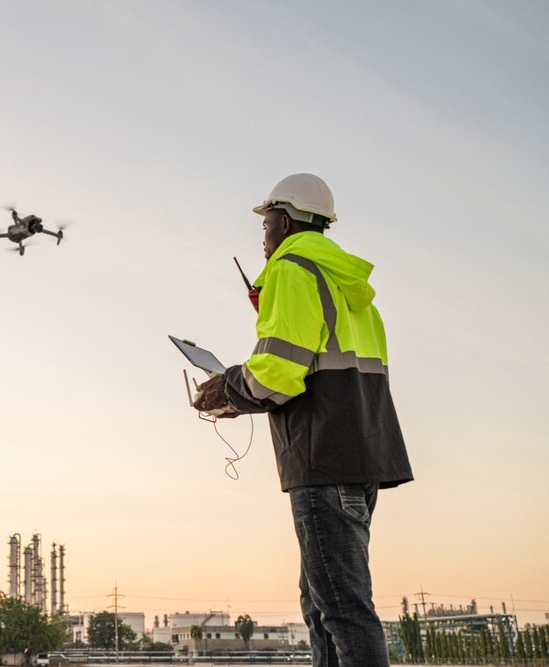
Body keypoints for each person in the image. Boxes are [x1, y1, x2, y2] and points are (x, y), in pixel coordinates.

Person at [193, 174, 413, 666]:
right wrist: (243, 399)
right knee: (323, 606)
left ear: (287, 220)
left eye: (267, 225)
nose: (264, 238)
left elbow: (279, 371)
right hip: (361, 456)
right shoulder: (347, 284)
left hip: (322, 460)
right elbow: (314, 373)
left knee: (341, 610)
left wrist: (226, 387)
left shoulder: (292, 270)